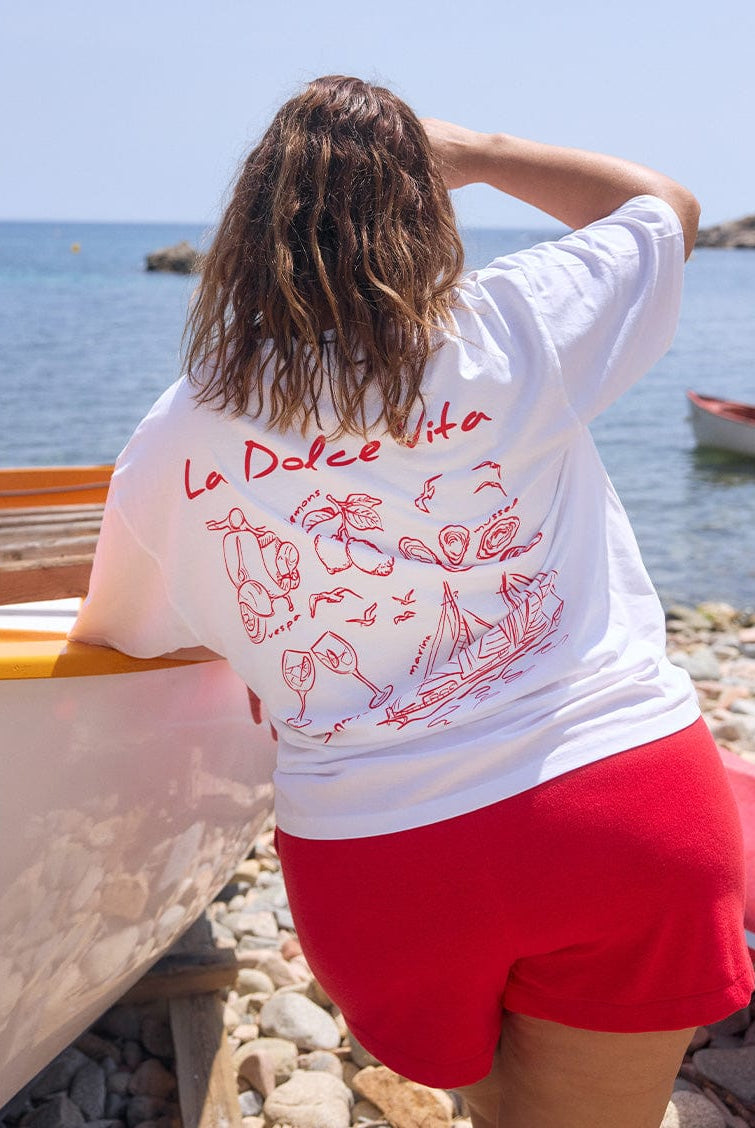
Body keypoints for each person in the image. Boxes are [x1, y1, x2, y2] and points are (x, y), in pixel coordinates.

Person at [70, 76, 753, 1127]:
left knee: (498, 1107)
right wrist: (475, 148)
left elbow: (118, 636)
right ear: (423, 211)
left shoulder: (180, 435)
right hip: (626, 808)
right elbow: (663, 205)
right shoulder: (513, 325)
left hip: (387, 852)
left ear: (250, 226)